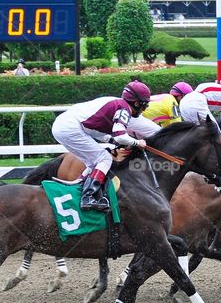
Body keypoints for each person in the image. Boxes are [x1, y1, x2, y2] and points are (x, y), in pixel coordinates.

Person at [52, 80, 159, 211]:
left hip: (65, 125)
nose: (144, 109)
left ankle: (80, 188)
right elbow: (120, 136)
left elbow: (97, 130)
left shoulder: (117, 104)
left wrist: (115, 141)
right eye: (145, 105)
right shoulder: (124, 109)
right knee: (104, 158)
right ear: (136, 103)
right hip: (69, 127)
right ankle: (88, 196)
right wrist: (137, 142)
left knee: (94, 163)